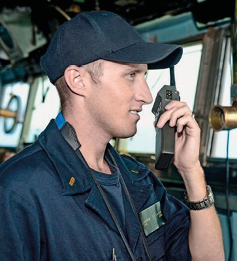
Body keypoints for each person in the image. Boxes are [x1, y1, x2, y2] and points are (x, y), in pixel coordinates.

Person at [0, 10, 224, 261]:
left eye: (145, 76)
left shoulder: (138, 179)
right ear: (78, 80)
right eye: (131, 75)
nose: (147, 96)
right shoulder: (17, 190)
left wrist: (191, 171)